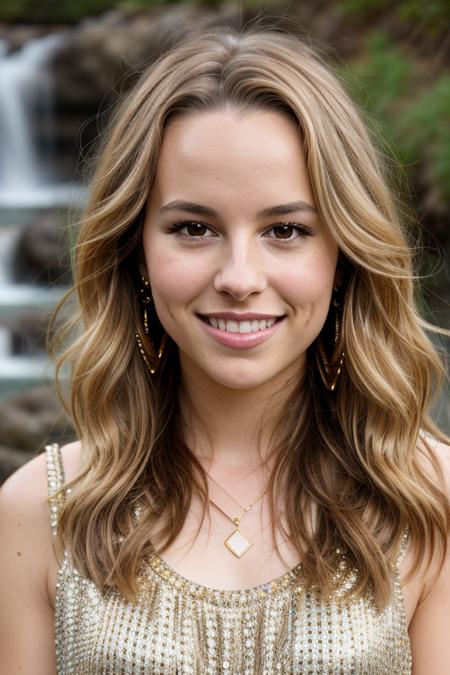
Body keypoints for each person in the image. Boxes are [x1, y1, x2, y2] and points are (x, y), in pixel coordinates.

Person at [1, 22, 449, 675]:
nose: (239, 276)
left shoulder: (429, 497)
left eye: (287, 229)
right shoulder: (36, 511)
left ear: (345, 255)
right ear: (135, 251)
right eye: (194, 227)